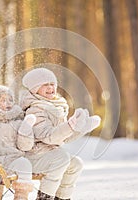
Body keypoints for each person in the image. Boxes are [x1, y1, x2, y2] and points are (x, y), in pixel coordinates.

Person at [20, 68, 101, 200]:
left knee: (76, 164)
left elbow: (65, 137)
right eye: (45, 84)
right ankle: (44, 197)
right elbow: (48, 136)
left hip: (49, 154)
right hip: (33, 156)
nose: (50, 87)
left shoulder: (57, 106)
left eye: (52, 84)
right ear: (35, 89)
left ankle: (62, 197)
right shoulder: (35, 109)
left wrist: (83, 127)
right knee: (61, 158)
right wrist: (69, 125)